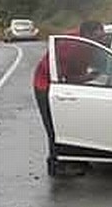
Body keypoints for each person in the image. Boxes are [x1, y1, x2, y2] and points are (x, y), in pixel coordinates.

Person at [33, 21, 106, 175]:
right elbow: (64, 76)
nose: (101, 40)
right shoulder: (69, 44)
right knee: (55, 126)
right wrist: (87, 78)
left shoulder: (88, 44)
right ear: (86, 34)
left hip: (69, 82)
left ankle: (76, 158)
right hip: (46, 84)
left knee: (76, 122)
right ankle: (56, 164)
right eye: (98, 37)